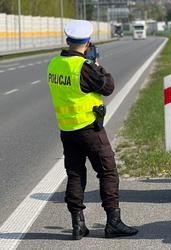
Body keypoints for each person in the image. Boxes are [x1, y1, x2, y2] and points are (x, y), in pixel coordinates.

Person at [47, 20, 138, 240]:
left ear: (68, 41)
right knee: (108, 171)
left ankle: (78, 224)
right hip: (89, 128)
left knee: (75, 174)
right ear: (88, 43)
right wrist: (96, 65)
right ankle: (113, 222)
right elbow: (108, 86)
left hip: (67, 130)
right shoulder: (85, 68)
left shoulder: (54, 64)